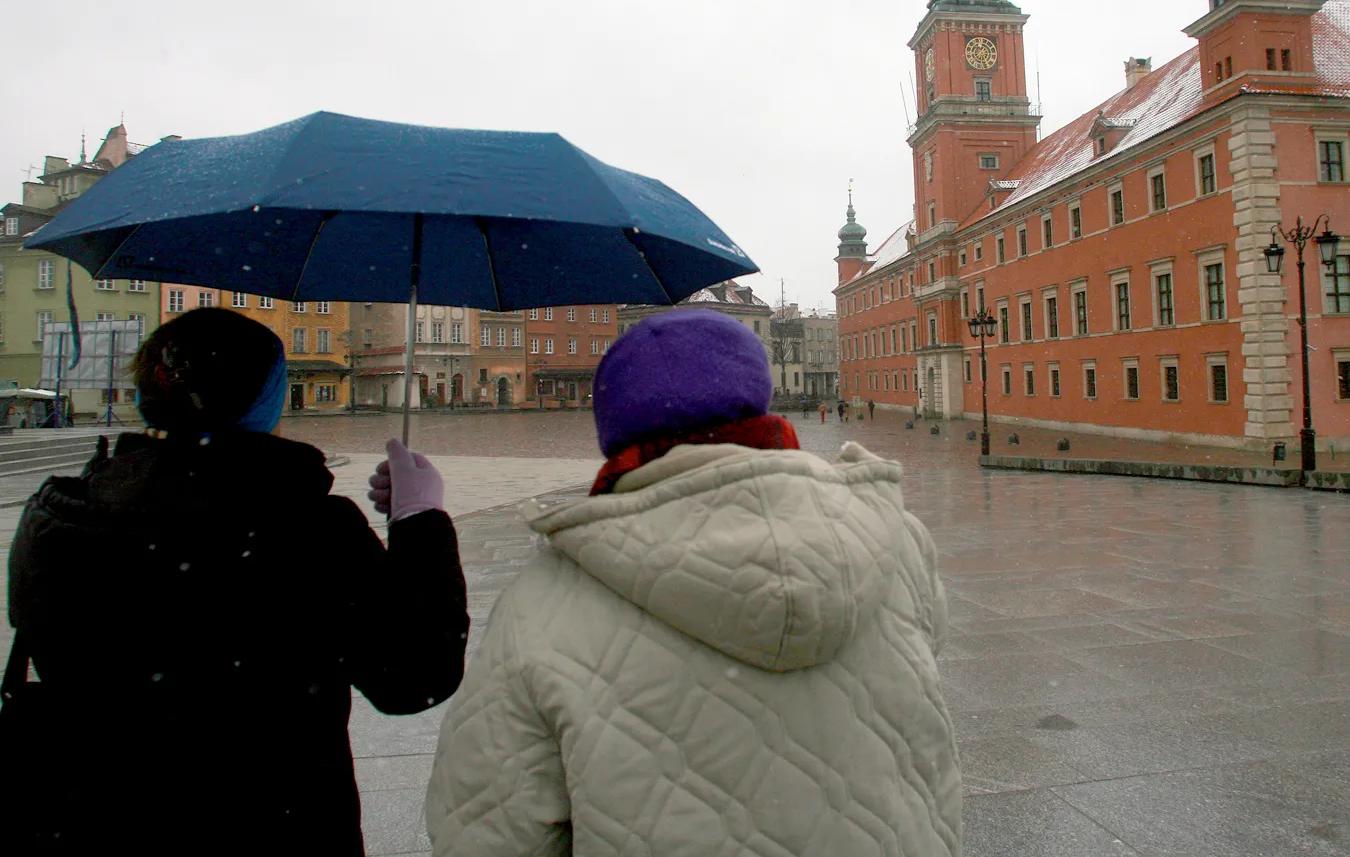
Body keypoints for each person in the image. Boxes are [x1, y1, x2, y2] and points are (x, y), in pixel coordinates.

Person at [425, 309, 959, 856]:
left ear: (615, 430)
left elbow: (488, 831)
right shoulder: (893, 541)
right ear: (758, 400)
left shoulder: (540, 605)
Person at [3, 308, 469, 856]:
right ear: (263, 399)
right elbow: (415, 676)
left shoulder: (58, 514)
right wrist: (420, 525)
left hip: (89, 824)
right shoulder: (306, 528)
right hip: (269, 825)